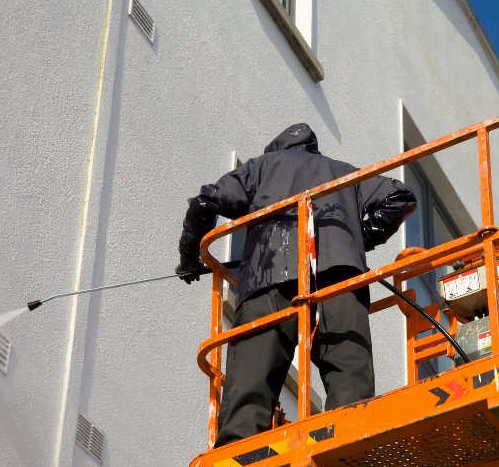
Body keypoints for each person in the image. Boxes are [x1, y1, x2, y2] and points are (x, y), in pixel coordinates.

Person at [177, 123, 416, 447]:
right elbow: (401, 197)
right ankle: (349, 438)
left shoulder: (262, 167)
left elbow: (205, 203)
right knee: (349, 371)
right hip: (339, 273)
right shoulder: (343, 173)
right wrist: (353, 239)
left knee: (252, 375)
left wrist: (190, 257)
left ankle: (238, 451)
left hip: (268, 273)